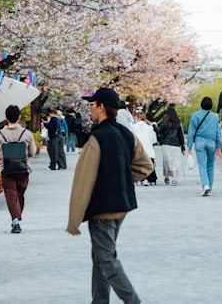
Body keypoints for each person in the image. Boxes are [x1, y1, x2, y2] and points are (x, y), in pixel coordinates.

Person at [67, 88, 154, 304]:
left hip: (103, 209)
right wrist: (121, 179)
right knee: (100, 257)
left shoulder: (97, 138)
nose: (90, 107)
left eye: (93, 104)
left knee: (106, 259)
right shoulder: (126, 134)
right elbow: (146, 166)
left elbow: (83, 181)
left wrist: (74, 220)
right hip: (122, 206)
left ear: (101, 107)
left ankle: (133, 301)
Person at [0, 104, 37, 233]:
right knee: (20, 194)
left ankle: (15, 219)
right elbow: (33, 152)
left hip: (6, 170)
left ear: (6, 117)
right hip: (23, 169)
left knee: (11, 195)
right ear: (19, 117)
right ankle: (16, 219)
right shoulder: (26, 134)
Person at [186, 97, 222, 196]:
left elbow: (191, 132)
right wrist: (218, 146)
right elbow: (218, 133)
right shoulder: (215, 117)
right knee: (210, 166)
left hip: (199, 142)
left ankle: (205, 185)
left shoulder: (195, 115)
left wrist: (189, 146)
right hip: (212, 143)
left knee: (202, 165)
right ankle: (209, 187)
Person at [156, 105, 185, 185]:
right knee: (175, 162)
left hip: (166, 144)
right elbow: (181, 136)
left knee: (167, 162)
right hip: (176, 145)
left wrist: (155, 126)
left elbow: (159, 131)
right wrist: (182, 147)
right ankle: (175, 179)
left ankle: (167, 177)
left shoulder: (165, 123)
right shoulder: (178, 124)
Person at [131, 114, 159, 185]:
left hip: (139, 149)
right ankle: (151, 179)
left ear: (138, 118)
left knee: (139, 165)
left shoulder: (134, 127)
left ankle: (141, 178)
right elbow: (154, 140)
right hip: (149, 149)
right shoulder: (149, 127)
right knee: (150, 164)